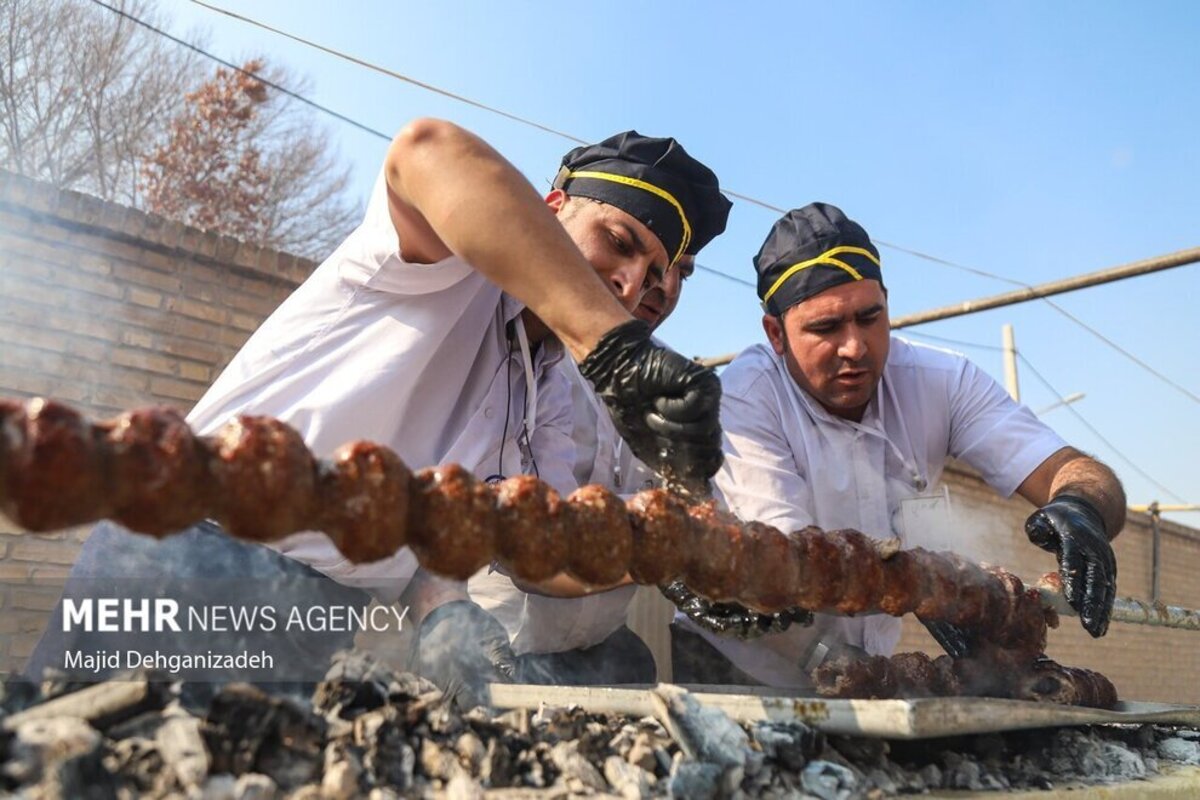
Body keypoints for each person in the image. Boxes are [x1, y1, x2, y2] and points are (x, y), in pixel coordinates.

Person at [28, 121, 731, 702]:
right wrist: (611, 344)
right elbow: (424, 151)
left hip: (322, 614)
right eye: (619, 240)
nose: (633, 281)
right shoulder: (448, 268)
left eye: (659, 273)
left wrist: (674, 556)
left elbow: (538, 553)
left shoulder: (542, 383)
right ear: (551, 209)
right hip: (190, 560)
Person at [671, 202, 1124, 689]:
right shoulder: (746, 395)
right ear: (776, 334)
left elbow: (1072, 470)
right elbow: (791, 573)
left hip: (863, 669)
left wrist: (1083, 508)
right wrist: (879, 639)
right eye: (826, 328)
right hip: (744, 662)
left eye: (870, 317)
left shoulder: (941, 381)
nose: (856, 347)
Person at [466, 255, 699, 686]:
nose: (664, 286)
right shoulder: (526, 345)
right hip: (500, 642)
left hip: (603, 647)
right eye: (630, 248)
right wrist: (670, 543)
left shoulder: (674, 384)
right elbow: (540, 551)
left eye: (680, 270)